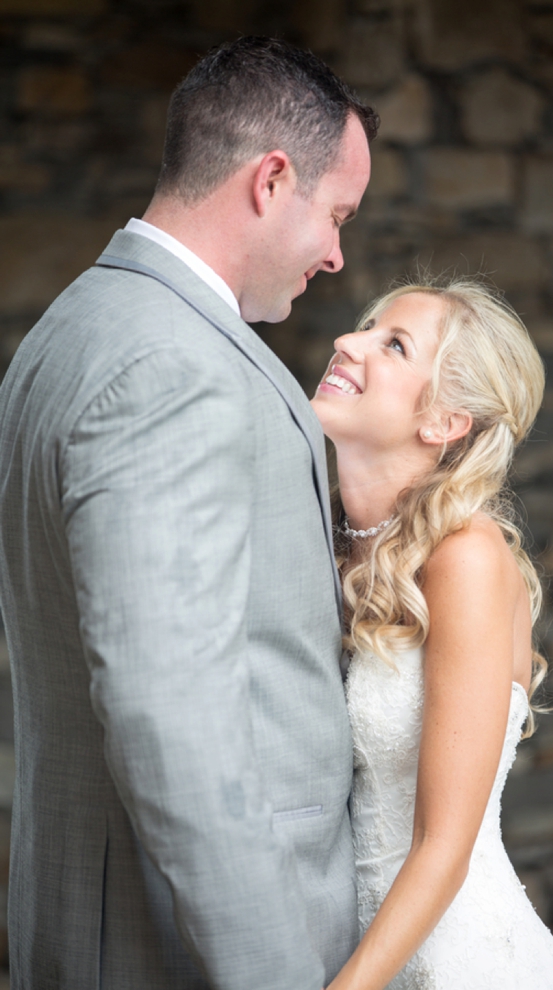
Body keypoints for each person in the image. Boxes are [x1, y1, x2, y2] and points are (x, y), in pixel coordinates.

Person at [0, 38, 376, 990]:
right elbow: (173, 721)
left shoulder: (74, 325)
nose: (337, 254)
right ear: (270, 179)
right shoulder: (172, 367)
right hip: (175, 948)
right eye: (335, 216)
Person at [311, 278, 553, 989]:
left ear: (442, 422)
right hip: (349, 946)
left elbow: (443, 844)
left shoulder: (466, 558)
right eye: (363, 328)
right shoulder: (328, 544)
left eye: (392, 344)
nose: (347, 342)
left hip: (457, 965)